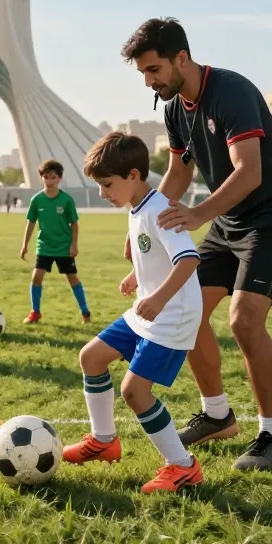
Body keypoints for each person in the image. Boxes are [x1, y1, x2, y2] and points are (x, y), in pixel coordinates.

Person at [121, 17, 272, 471]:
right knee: (187, 312)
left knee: (244, 322)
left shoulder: (232, 92)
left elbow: (250, 171)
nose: (150, 81)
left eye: (154, 70)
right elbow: (180, 174)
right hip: (227, 219)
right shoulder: (173, 108)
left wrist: (200, 213)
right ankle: (217, 414)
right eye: (144, 73)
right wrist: (147, 223)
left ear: (180, 58)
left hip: (271, 217)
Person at [63, 132, 204, 493]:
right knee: (91, 358)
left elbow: (188, 259)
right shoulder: (137, 206)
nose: (102, 193)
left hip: (172, 315)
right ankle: (104, 440)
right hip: (150, 308)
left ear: (134, 176)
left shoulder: (160, 210)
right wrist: (136, 276)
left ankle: (183, 466)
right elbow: (156, 255)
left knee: (135, 392)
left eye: (107, 184)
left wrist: (157, 298)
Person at [20, 160, 91, 324]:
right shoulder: (36, 200)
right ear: (41, 179)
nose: (49, 181)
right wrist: (25, 244)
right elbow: (30, 223)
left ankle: (85, 312)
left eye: (53, 177)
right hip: (44, 246)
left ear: (59, 179)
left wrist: (74, 245)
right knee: (36, 277)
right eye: (46, 177)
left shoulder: (66, 200)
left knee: (72, 278)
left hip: (63, 247)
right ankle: (35, 312)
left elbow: (74, 223)